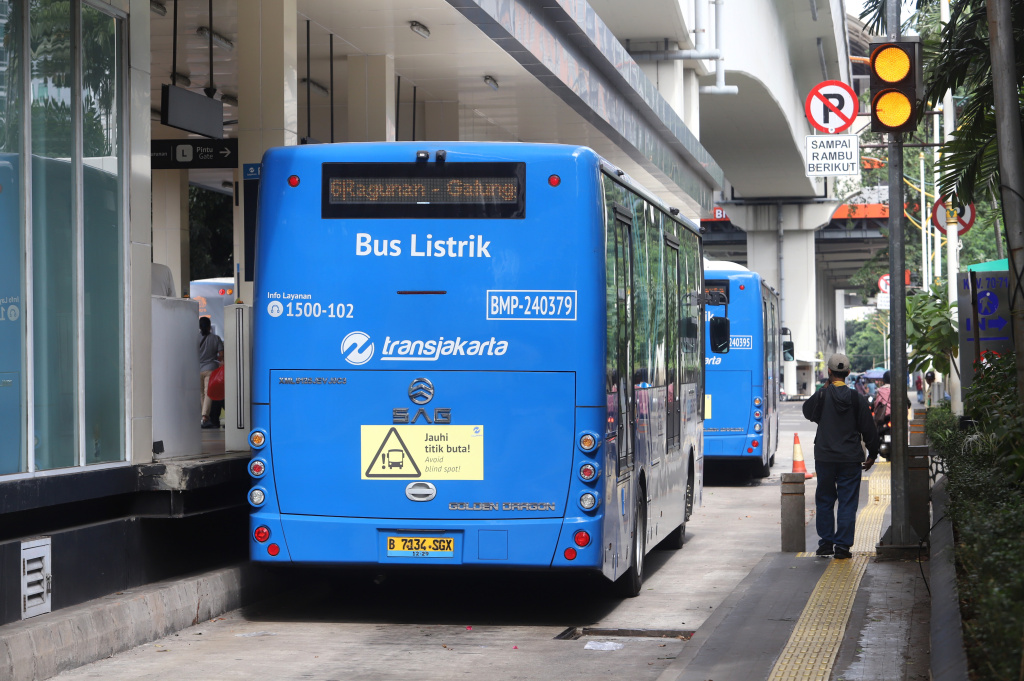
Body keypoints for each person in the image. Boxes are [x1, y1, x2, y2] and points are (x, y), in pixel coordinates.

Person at [802, 353, 880, 559]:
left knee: (825, 499)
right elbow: (869, 429)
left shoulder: (822, 395)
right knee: (847, 502)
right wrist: (873, 453)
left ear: (829, 372)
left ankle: (826, 543)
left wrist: (823, 389)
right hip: (850, 458)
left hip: (825, 457)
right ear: (847, 373)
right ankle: (843, 547)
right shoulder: (857, 399)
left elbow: (807, 412)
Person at [198, 316, 224, 428]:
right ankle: (205, 416)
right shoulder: (216, 338)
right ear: (209, 326)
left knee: (201, 394)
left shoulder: (195, 338)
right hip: (210, 369)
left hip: (197, 369)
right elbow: (221, 355)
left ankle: (204, 417)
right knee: (208, 392)